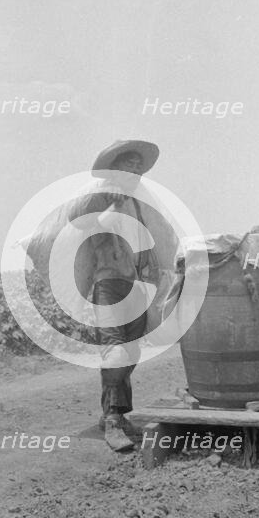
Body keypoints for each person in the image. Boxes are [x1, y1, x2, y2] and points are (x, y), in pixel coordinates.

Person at [66, 140, 167, 451]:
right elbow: (77, 217)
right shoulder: (100, 194)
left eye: (138, 166)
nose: (135, 170)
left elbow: (147, 242)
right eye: (129, 164)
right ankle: (112, 419)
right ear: (115, 168)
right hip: (107, 285)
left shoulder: (136, 204)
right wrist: (103, 198)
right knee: (115, 350)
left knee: (132, 350)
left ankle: (118, 415)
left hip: (134, 285)